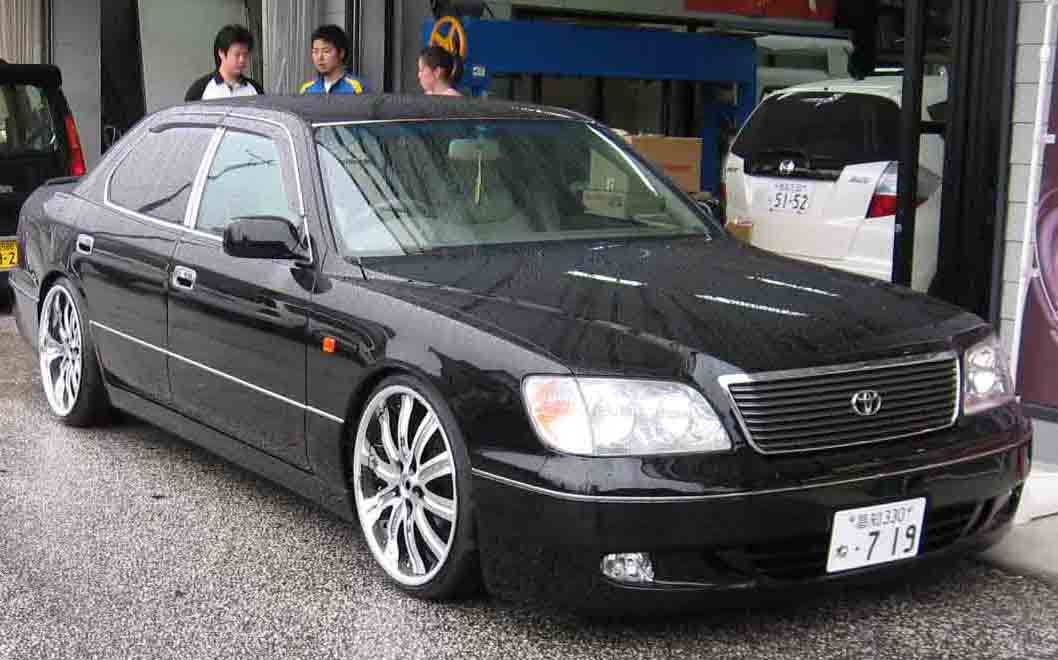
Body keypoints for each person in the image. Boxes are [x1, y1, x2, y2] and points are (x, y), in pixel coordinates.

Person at [184, 25, 263, 101]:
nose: (242, 60)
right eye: (237, 54)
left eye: (245, 55)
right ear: (221, 53)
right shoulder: (199, 90)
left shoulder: (255, 89)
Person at [300, 25, 367, 95]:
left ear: (341, 53)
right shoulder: (307, 90)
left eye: (326, 51)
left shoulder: (356, 88)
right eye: (315, 51)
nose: (320, 57)